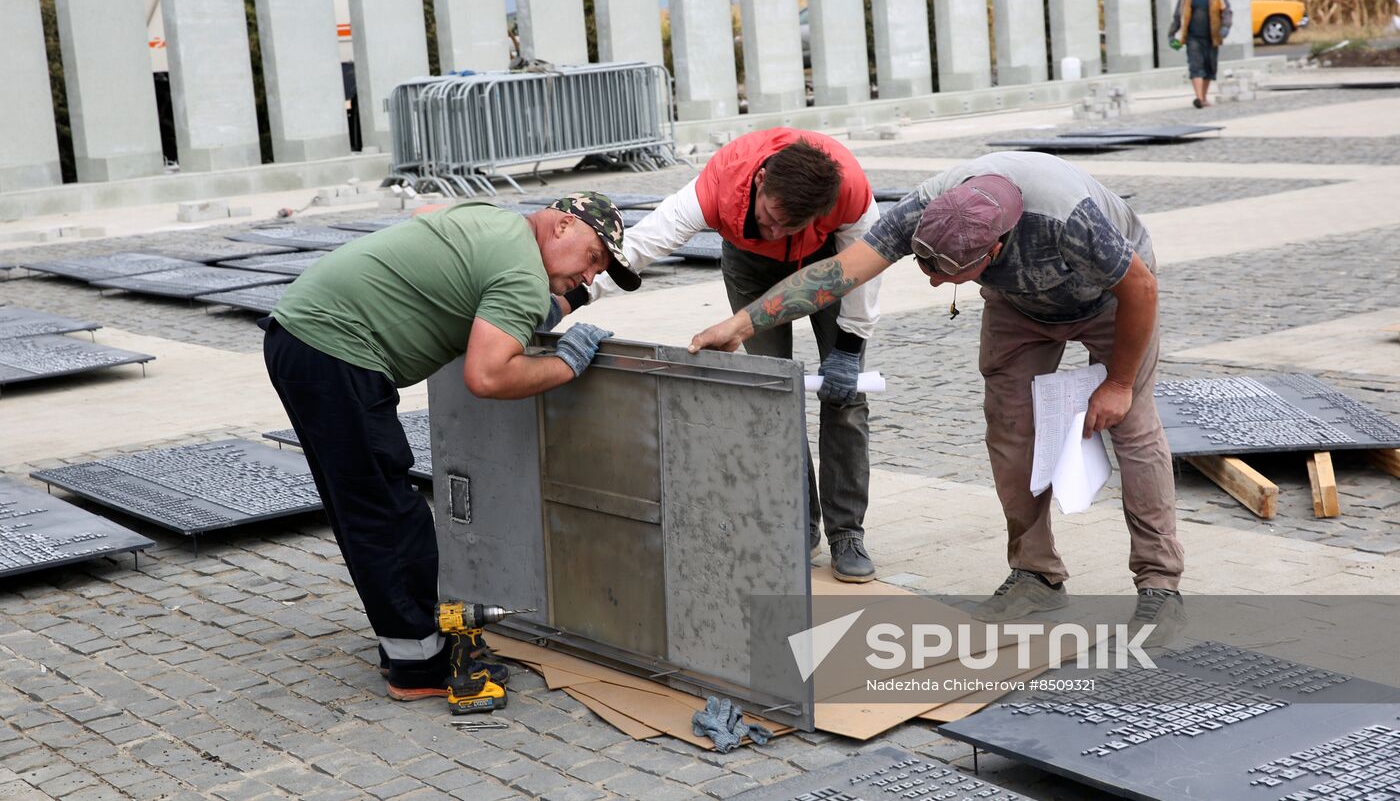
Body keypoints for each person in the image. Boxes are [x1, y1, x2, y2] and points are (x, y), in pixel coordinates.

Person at [689, 151, 1185, 632]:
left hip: (1111, 303)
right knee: (1011, 431)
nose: (933, 283)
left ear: (993, 249)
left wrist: (1118, 385)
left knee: (1133, 428)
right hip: (1019, 307)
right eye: (925, 265)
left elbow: (1140, 289)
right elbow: (837, 275)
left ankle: (1160, 586)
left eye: (947, 272)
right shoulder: (925, 207)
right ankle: (1036, 575)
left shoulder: (1068, 220)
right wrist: (741, 323)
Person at [261, 193, 638, 701]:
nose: (591, 276)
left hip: (299, 334)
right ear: (564, 225)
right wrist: (565, 366)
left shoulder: (492, 222)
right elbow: (486, 374)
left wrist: (562, 303)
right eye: (594, 259)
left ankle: (406, 642)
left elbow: (426, 215)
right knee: (388, 514)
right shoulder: (523, 274)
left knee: (363, 504)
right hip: (336, 350)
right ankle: (418, 668)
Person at [563, 128, 884, 582]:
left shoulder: (850, 195)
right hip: (750, 266)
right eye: (770, 217)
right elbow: (639, 246)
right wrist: (571, 296)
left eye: (785, 226)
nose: (774, 230)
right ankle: (798, 522)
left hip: (828, 264)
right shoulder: (717, 185)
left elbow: (867, 269)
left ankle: (847, 532)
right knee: (773, 393)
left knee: (845, 398)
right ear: (760, 183)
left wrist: (849, 347)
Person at [1170, 0, 1233, 109]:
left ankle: (1203, 97)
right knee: (1195, 66)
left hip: (1212, 36)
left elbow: (1227, 11)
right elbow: (1178, 14)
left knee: (1209, 68)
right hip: (1192, 37)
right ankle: (1198, 98)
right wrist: (1171, 33)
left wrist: (1226, 26)